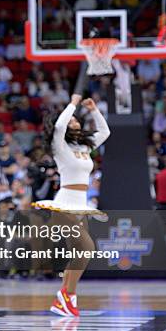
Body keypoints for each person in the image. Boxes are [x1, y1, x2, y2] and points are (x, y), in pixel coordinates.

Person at [34, 95, 110, 317]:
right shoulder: (59, 147)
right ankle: (67, 296)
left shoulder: (85, 147)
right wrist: (73, 103)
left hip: (81, 205)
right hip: (64, 203)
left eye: (77, 120)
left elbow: (105, 132)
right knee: (87, 248)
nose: (75, 122)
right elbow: (58, 126)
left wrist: (94, 110)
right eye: (72, 121)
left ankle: (65, 297)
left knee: (78, 252)